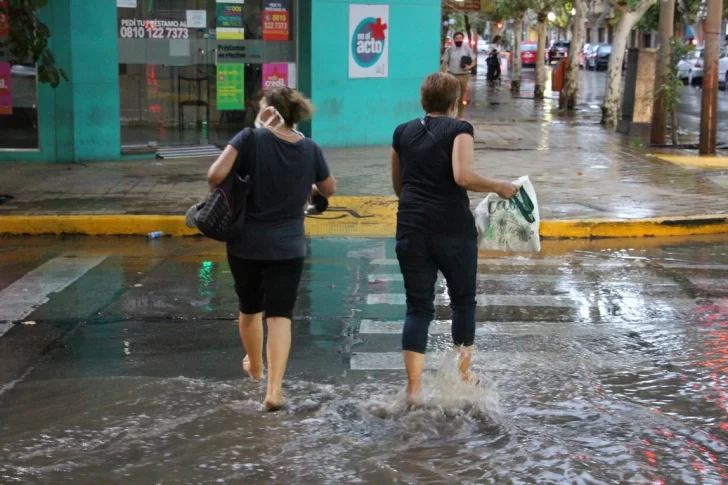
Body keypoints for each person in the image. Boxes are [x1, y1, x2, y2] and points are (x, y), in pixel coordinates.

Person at [390, 72, 518, 405]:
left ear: (423, 99)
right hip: (451, 228)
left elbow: (398, 187)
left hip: (411, 226)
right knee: (463, 303)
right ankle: (463, 377)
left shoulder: (401, 133)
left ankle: (414, 390)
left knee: (417, 308)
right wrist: (498, 185)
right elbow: (462, 176)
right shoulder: (460, 129)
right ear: (454, 102)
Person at [207, 87, 336, 410]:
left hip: (246, 242)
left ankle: (255, 368)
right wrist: (303, 184)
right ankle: (274, 390)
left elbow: (214, 175)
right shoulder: (310, 147)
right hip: (289, 246)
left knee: (250, 309)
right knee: (280, 317)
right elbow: (329, 188)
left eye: (262, 106)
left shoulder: (250, 137)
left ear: (270, 111)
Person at [440, 32, 476, 119]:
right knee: (452, 96)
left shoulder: (467, 48)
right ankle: (450, 114)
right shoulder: (449, 50)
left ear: (462, 39)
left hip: (464, 76)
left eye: (460, 38)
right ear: (454, 39)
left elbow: (474, 60)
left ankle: (459, 115)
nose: (459, 40)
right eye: (457, 38)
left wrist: (469, 67)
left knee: (461, 96)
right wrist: (443, 75)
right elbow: (444, 63)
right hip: (452, 75)